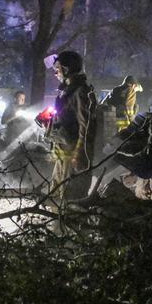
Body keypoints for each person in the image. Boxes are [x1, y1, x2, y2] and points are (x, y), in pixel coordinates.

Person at [44, 50, 97, 203]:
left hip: (73, 157)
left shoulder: (81, 92)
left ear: (66, 69)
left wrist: (80, 154)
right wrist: (49, 123)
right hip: (63, 155)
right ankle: (56, 225)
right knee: (55, 196)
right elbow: (66, 122)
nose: (55, 73)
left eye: (57, 69)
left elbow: (86, 126)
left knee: (70, 198)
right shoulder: (67, 92)